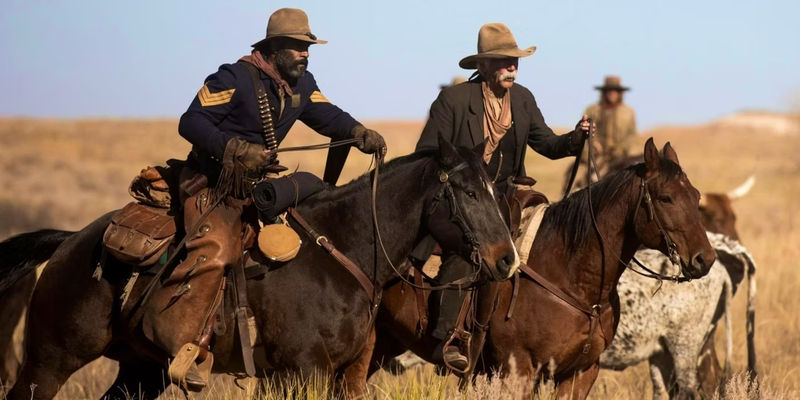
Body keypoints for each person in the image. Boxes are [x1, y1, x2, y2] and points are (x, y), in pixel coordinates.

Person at [144, 8, 386, 390]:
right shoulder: (233, 76)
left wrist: (357, 131)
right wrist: (235, 148)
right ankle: (193, 344)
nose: (305, 53)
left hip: (258, 190)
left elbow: (328, 116)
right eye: (297, 47)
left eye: (308, 47)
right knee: (218, 249)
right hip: (211, 184)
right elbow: (190, 122)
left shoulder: (302, 83)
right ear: (274, 48)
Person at [416, 22, 591, 370]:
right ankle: (448, 337)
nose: (512, 67)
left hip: (508, 196)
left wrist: (576, 137)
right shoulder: (454, 100)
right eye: (503, 61)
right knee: (467, 252)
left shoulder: (523, 98)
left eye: (515, 61)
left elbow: (548, 144)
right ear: (483, 66)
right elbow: (426, 154)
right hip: (461, 199)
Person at [568, 75, 637, 190]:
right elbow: (583, 131)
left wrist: (623, 150)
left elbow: (632, 136)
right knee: (576, 178)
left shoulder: (628, 112)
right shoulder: (592, 110)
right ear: (604, 92)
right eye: (609, 90)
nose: (612, 93)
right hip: (595, 157)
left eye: (615, 91)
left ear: (620, 93)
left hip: (620, 158)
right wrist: (592, 145)